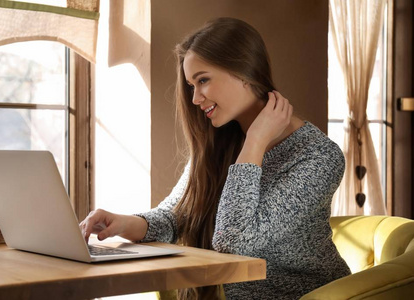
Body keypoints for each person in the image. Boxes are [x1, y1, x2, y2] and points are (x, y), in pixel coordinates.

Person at [79, 17, 351, 299]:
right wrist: (122, 224)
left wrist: (255, 141)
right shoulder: (219, 144)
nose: (195, 98)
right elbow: (176, 218)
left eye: (203, 80)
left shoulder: (319, 157)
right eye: (191, 85)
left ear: (245, 72)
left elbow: (234, 244)